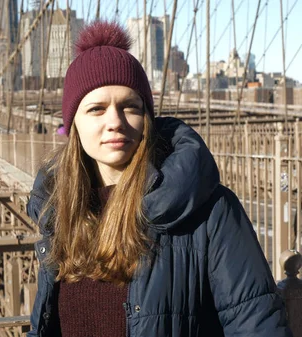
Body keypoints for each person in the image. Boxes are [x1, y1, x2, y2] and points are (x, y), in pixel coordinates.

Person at [26, 21, 292, 337]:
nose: (115, 121)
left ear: (147, 119)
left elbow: (257, 326)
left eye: (130, 106)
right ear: (72, 126)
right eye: (96, 109)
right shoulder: (57, 213)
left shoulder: (211, 211)